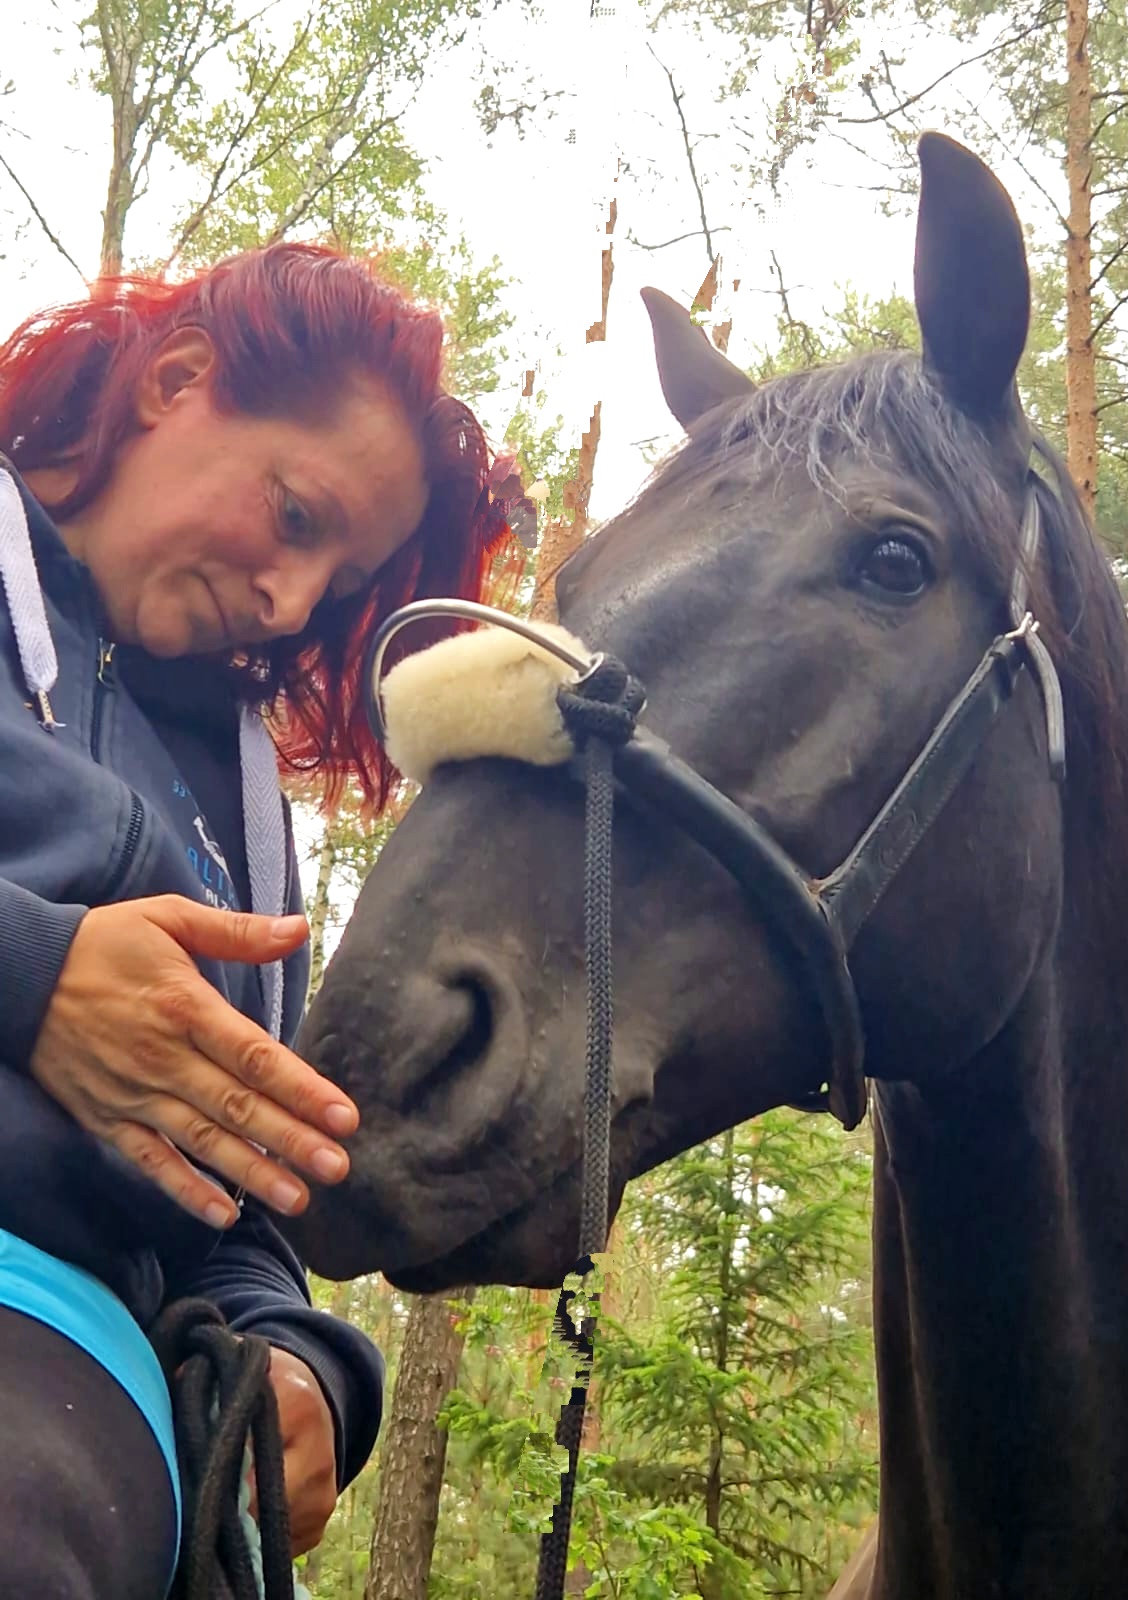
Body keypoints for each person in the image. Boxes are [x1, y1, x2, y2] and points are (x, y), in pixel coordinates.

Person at [0, 240, 518, 1595]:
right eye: (298, 516)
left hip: (86, 1383)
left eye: (338, 584)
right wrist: (31, 974)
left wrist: (308, 1370)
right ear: (178, 380)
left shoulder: (245, 813)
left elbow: (232, 1195)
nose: (291, 603)